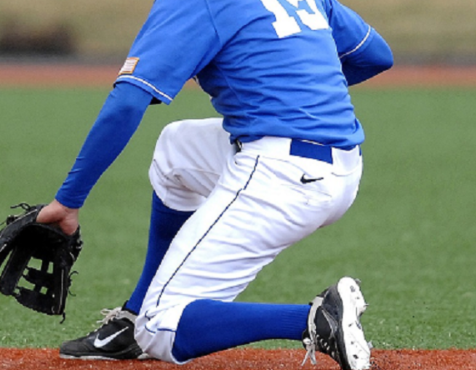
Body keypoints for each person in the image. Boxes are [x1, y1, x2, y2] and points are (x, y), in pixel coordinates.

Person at [36, 0, 392, 368]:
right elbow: (376, 55)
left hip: (282, 175)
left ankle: (315, 318)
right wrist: (295, 90)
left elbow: (127, 103)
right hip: (342, 164)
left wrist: (68, 202)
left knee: (159, 329)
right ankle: (133, 314)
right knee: (176, 150)